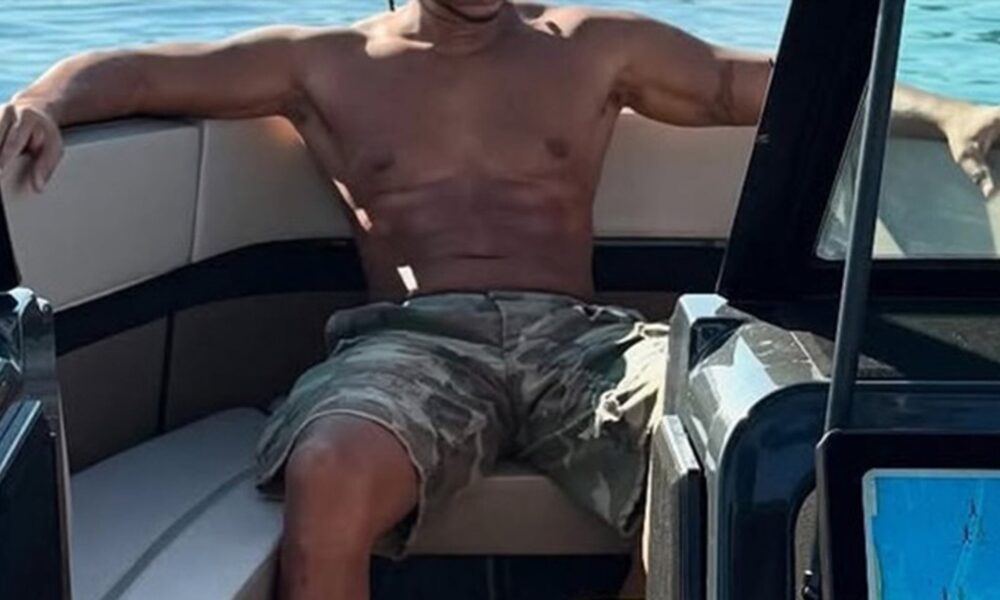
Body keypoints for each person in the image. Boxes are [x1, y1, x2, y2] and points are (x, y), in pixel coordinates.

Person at [1, 1, 998, 598]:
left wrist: (950, 113)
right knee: (330, 467)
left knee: (727, 429)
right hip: (414, 341)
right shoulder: (327, 62)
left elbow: (764, 84)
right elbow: (137, 72)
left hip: (582, 340)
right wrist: (46, 101)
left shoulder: (589, 45)